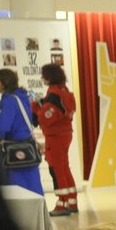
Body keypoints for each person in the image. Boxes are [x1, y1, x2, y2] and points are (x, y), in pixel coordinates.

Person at [35, 64, 78, 215]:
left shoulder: (54, 94)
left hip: (55, 136)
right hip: (66, 134)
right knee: (64, 167)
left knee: (57, 169)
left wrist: (36, 109)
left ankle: (62, 203)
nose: (42, 78)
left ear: (50, 76)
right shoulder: (64, 91)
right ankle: (72, 201)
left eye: (44, 75)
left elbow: (46, 117)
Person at [0, 68, 42, 195]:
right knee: (33, 184)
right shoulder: (22, 97)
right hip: (27, 145)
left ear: (2, 83)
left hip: (15, 147)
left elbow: (3, 126)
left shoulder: (9, 101)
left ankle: (22, 214)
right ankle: (37, 213)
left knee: (18, 186)